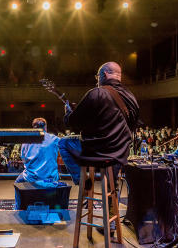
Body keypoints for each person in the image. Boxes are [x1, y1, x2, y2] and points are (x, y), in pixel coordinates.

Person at [59, 61, 139, 235]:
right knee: (112, 184)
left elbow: (73, 123)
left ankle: (83, 181)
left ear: (103, 75)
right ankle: (110, 223)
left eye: (97, 77)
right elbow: (129, 125)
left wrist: (68, 112)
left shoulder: (96, 93)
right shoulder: (132, 97)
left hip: (96, 153)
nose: (97, 80)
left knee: (63, 143)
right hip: (119, 154)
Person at [15, 118, 60, 183]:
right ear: (45, 127)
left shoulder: (26, 140)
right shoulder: (54, 139)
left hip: (31, 178)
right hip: (50, 178)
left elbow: (23, 158)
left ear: (33, 128)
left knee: (17, 183)